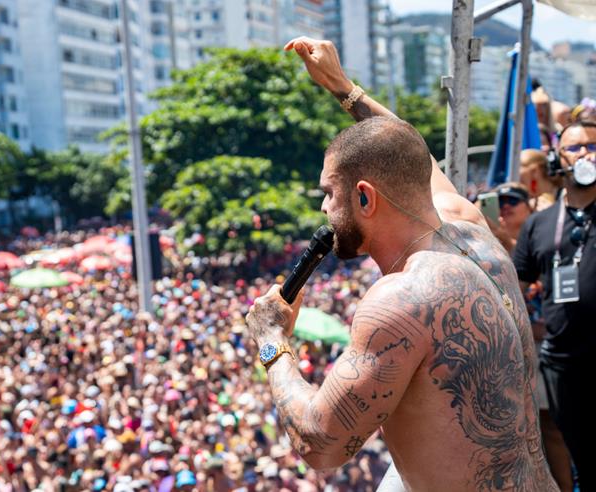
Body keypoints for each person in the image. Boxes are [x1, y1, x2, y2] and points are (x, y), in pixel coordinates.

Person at [245, 37, 557, 491]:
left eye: (328, 194)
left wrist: (272, 340)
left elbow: (320, 444)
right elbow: (408, 153)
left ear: (365, 197)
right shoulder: (472, 233)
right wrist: (341, 87)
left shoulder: (402, 300)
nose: (323, 212)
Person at [513, 120, 596, 490]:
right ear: (557, 158)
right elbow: (517, 283)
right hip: (562, 362)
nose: (585, 154)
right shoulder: (539, 225)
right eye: (575, 147)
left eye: (592, 146)